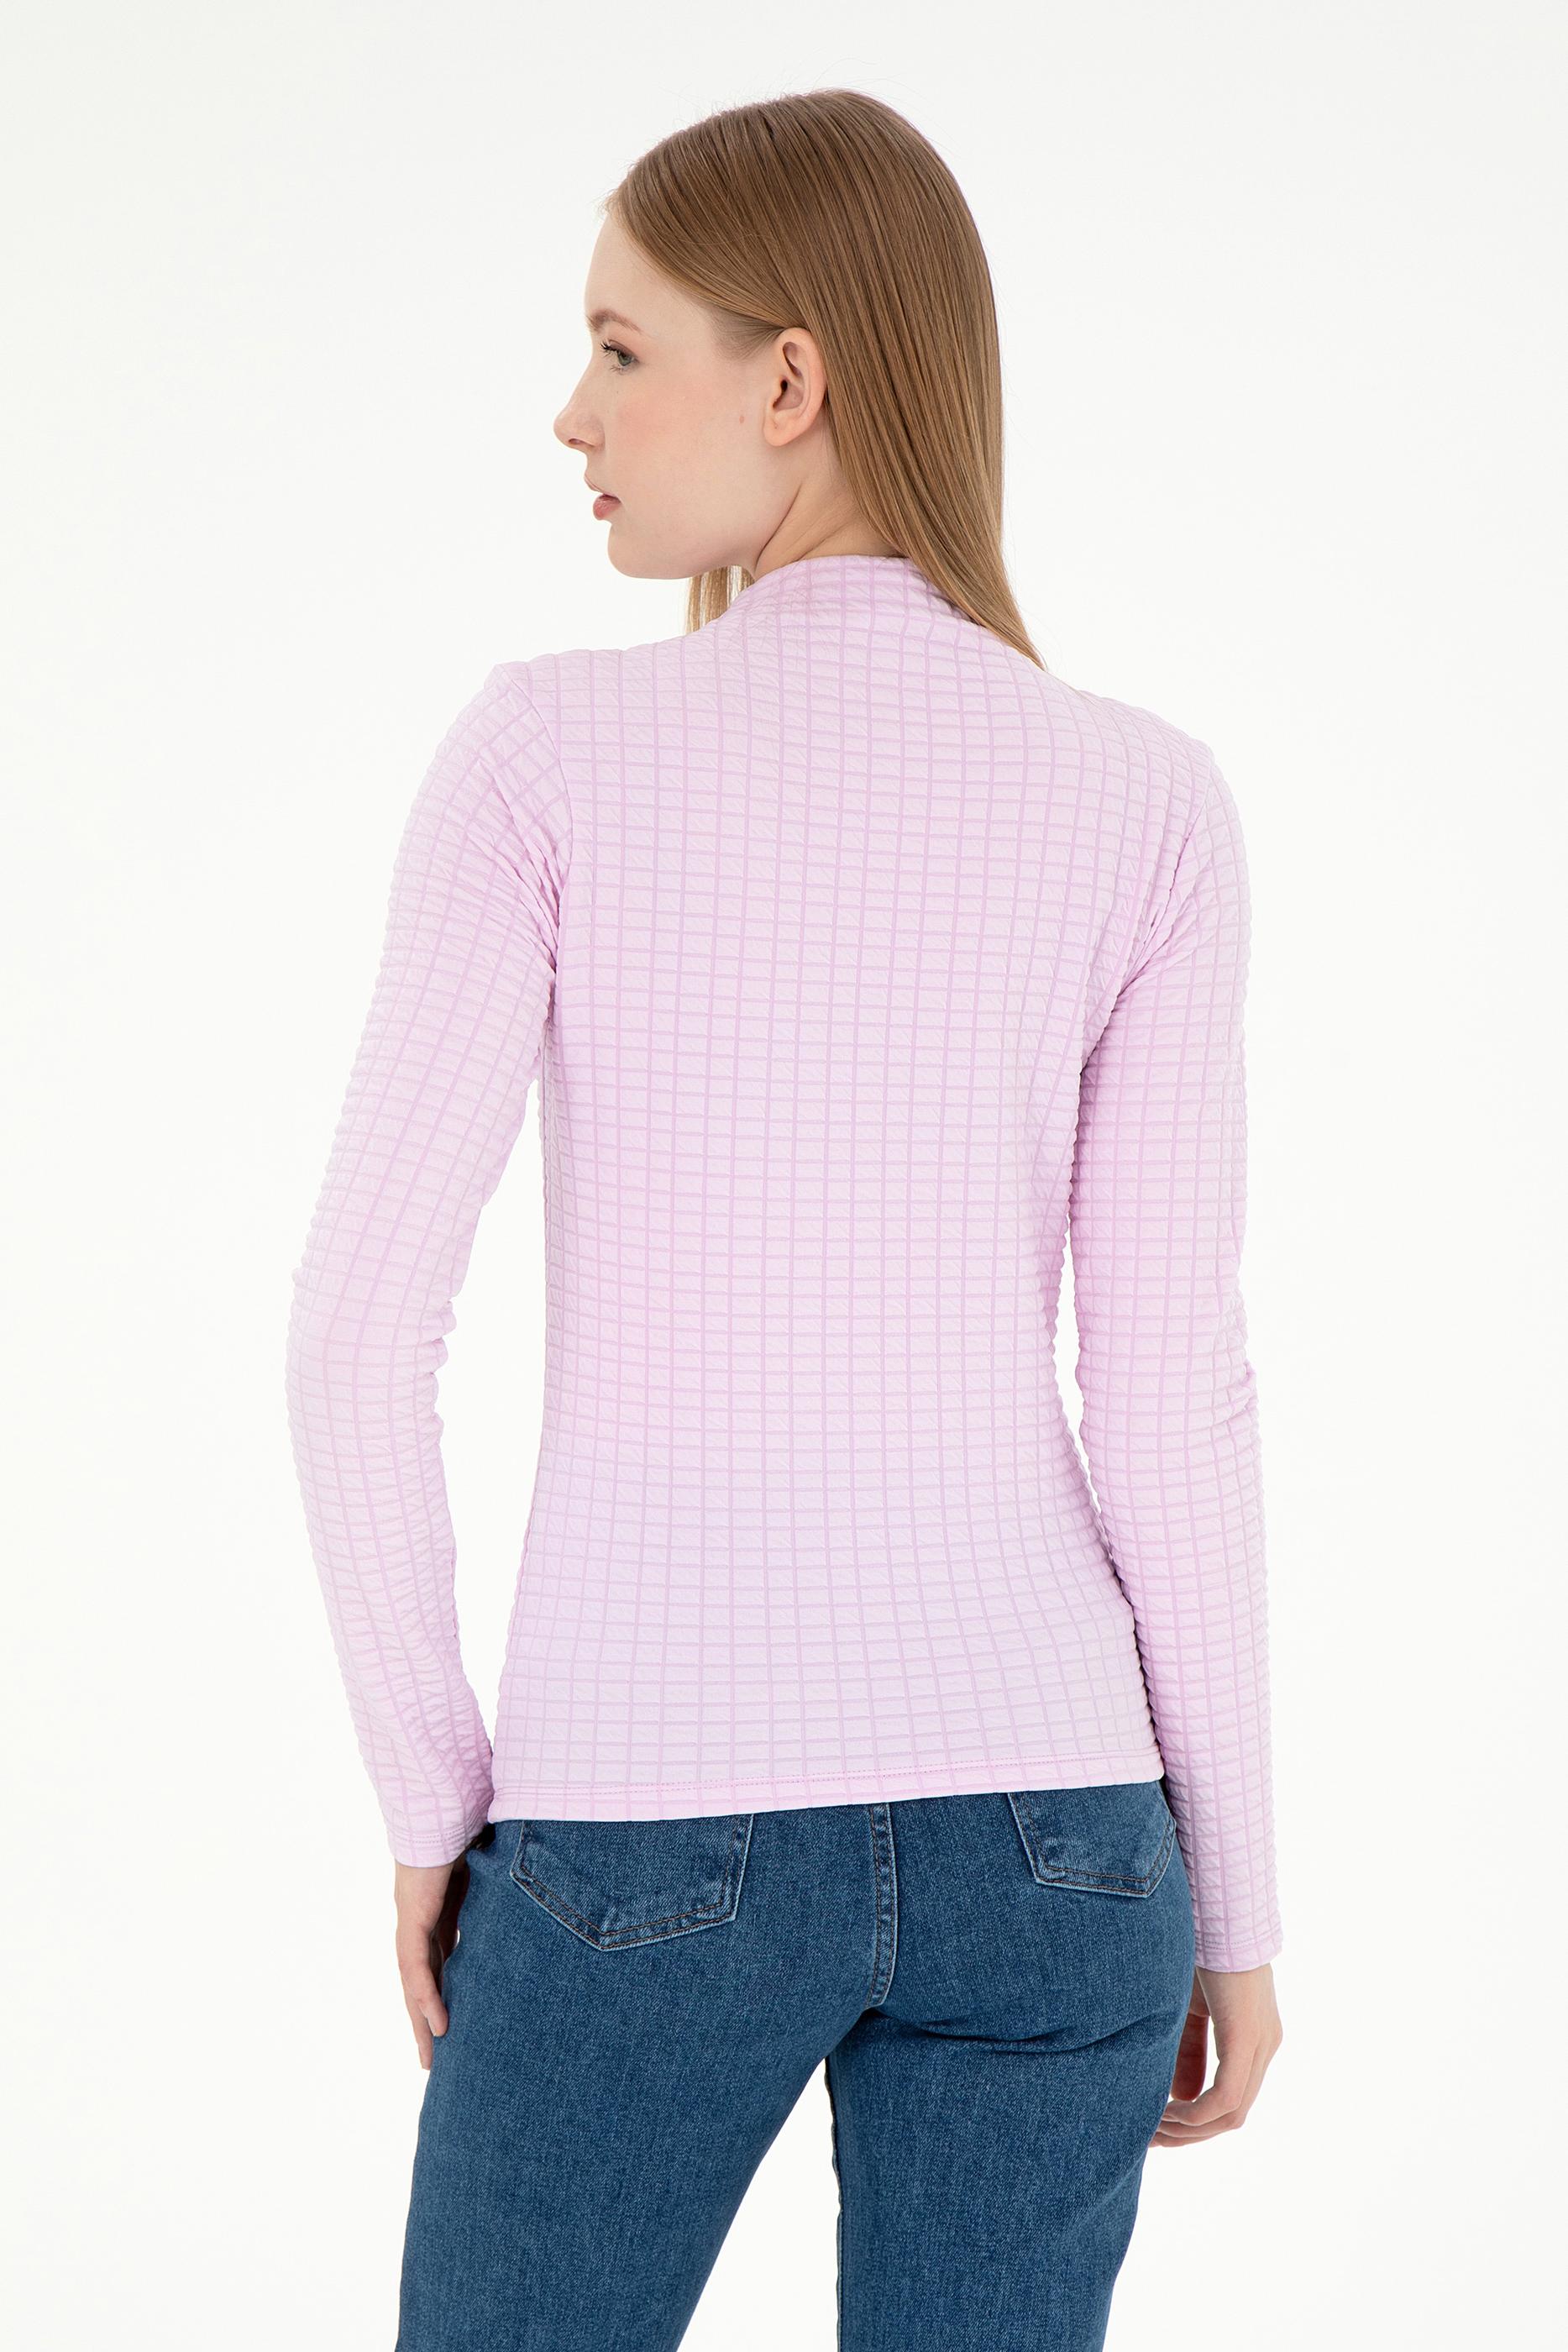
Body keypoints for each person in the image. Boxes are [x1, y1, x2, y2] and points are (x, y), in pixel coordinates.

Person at [285, 87, 1283, 2352]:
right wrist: (1231, 1898)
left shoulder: (544, 756)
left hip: (642, 1827)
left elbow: (354, 1337)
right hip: (1064, 1844)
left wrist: (436, 1805)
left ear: (792, 381)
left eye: (621, 347)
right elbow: (1172, 1397)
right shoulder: (1148, 801)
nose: (572, 413)